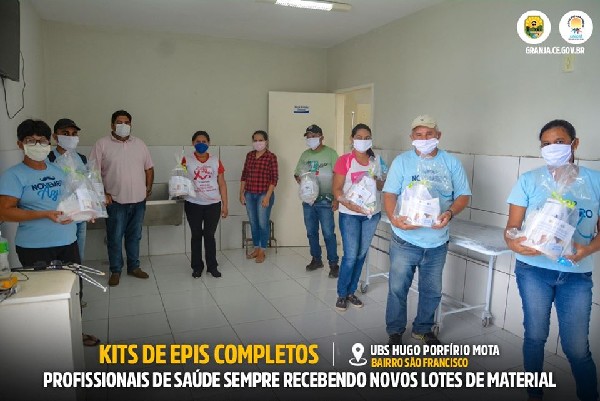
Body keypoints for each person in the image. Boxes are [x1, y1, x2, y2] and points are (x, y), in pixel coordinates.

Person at [505, 119, 599, 401]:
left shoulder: (595, 181)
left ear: (574, 143)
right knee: (535, 336)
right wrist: (515, 243)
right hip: (534, 271)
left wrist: (587, 250)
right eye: (546, 144)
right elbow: (511, 228)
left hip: (576, 275)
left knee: (576, 348)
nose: (552, 148)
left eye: (559, 142)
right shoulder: (529, 180)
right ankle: (534, 394)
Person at [0, 119, 100, 347]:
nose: (38, 145)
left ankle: (76, 333)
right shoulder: (14, 175)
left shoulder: (58, 171)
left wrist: (85, 212)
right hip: (35, 247)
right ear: (20, 144)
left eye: (42, 141)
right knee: (45, 296)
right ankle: (51, 344)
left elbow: (70, 201)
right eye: (31, 141)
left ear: (49, 143)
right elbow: (4, 212)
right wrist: (43, 214)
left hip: (68, 241)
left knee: (74, 291)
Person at [382, 115, 471, 346]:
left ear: (438, 136)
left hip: (437, 241)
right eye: (419, 135)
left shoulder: (451, 163)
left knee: (432, 290)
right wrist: (394, 219)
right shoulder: (402, 162)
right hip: (405, 239)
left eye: (429, 134)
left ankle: (422, 329)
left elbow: (463, 195)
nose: (424, 139)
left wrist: (449, 213)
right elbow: (389, 193)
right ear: (411, 137)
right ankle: (395, 331)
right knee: (397, 288)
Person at [89, 110, 154, 287]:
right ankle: (116, 270)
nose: (123, 125)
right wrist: (103, 193)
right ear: (112, 125)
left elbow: (149, 168)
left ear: (131, 125)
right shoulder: (102, 144)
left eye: (127, 122)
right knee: (115, 238)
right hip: (115, 202)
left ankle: (134, 267)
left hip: (138, 201)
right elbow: (93, 173)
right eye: (119, 122)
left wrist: (148, 187)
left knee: (135, 236)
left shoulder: (140, 144)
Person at [332, 123, 386, 311]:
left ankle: (351, 292)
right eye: (359, 137)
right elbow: (336, 189)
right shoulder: (344, 160)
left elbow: (381, 187)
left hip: (371, 214)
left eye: (367, 138)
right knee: (350, 256)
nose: (363, 141)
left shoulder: (376, 161)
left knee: (361, 254)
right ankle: (341, 293)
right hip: (350, 215)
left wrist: (378, 177)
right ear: (352, 139)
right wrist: (347, 204)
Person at [294, 124, 340, 278]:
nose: (311, 139)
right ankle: (316, 259)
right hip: (309, 202)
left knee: (328, 233)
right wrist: (305, 184)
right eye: (308, 136)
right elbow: (297, 174)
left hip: (326, 200)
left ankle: (333, 264)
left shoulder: (331, 154)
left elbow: (338, 176)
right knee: (311, 232)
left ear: (321, 137)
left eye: (314, 136)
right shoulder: (305, 155)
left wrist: (336, 198)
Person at [183, 131, 228, 278]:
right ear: (193, 143)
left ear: (209, 143)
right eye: (198, 141)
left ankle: (212, 266)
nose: (201, 144)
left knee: (209, 235)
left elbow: (222, 183)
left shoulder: (215, 160)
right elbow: (180, 178)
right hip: (193, 203)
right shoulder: (186, 160)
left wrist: (225, 205)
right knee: (196, 235)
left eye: (204, 141)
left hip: (213, 204)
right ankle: (197, 267)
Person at [50, 118, 88, 262]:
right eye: (65, 133)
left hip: (80, 215)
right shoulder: (49, 159)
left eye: (74, 134)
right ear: (55, 136)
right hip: (61, 216)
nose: (70, 137)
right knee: (63, 258)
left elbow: (87, 184)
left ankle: (78, 276)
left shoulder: (81, 159)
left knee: (78, 257)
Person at [240, 130, 278, 264]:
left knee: (263, 223)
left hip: (264, 194)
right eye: (255, 140)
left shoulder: (271, 157)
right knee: (253, 222)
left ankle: (262, 250)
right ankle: (256, 248)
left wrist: (267, 197)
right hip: (249, 194)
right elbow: (244, 175)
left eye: (260, 140)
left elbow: (274, 179)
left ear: (266, 141)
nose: (258, 143)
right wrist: (241, 193)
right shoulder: (250, 155)